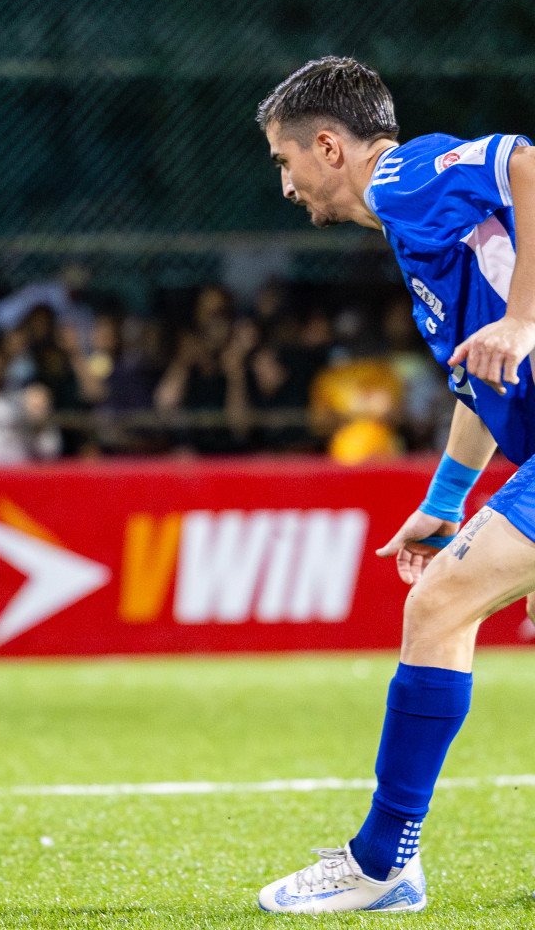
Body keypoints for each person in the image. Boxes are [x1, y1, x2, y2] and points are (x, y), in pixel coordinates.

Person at [253, 56, 535, 913]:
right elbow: (479, 386)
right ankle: (387, 862)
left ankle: (382, 863)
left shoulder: (405, 178)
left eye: (284, 160)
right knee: (447, 599)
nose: (286, 183)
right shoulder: (422, 238)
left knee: (439, 604)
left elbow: (528, 161)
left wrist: (526, 317)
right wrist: (446, 499)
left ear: (330, 146)